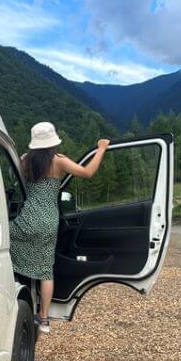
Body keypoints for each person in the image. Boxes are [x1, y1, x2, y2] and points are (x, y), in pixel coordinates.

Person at [10, 122, 109, 333]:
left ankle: (12, 297)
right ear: (53, 141)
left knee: (4, 245)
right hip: (48, 220)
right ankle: (44, 319)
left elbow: (12, 179)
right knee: (46, 269)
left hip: (27, 218)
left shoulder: (25, 160)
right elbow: (88, 172)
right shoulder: (58, 161)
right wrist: (101, 149)